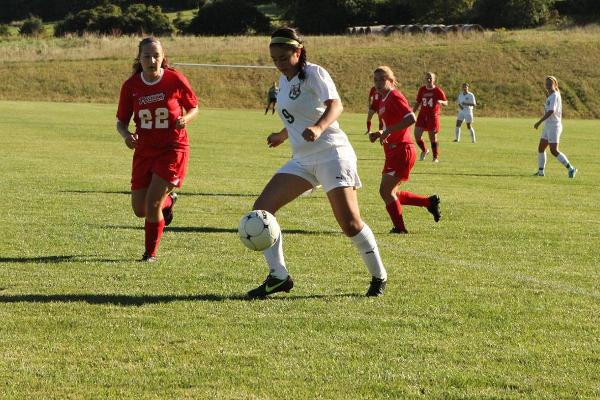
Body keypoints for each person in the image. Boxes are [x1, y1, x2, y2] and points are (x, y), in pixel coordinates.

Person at [247, 27, 388, 298]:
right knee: (262, 210)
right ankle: (279, 276)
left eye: (282, 57)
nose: (277, 63)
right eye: (273, 58)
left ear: (297, 52)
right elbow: (299, 118)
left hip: (332, 153)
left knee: (350, 224)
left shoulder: (314, 73)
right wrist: (282, 134)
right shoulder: (285, 81)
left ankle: (379, 276)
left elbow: (335, 105)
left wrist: (320, 127)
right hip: (302, 159)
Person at [116, 37, 199, 262]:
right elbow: (121, 122)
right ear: (139, 58)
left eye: (156, 56)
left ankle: (149, 254)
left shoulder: (175, 79)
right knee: (140, 209)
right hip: (144, 151)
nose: (152, 60)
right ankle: (170, 201)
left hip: (173, 149)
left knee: (152, 205)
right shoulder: (131, 86)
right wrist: (126, 136)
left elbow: (194, 107)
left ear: (163, 58)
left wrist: (186, 119)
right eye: (147, 56)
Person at [367, 66, 441, 234]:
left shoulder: (394, 96)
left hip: (402, 150)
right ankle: (429, 202)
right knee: (392, 193)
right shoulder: (384, 98)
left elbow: (410, 118)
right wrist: (380, 133)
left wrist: (387, 131)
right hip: (393, 151)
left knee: (385, 191)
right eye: (375, 80)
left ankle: (400, 229)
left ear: (391, 81)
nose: (378, 83)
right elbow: (394, 125)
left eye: (382, 79)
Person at [533, 76, 577, 178]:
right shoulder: (550, 96)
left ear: (555, 84)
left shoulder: (555, 96)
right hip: (548, 126)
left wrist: (539, 122)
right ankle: (540, 172)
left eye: (550, 83)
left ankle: (571, 168)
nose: (548, 85)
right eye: (546, 83)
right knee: (541, 148)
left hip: (554, 126)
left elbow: (551, 111)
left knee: (554, 150)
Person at [412, 72, 448, 162]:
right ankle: (424, 150)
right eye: (427, 78)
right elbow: (418, 102)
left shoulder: (438, 90)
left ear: (434, 79)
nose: (428, 80)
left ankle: (435, 157)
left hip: (433, 116)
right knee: (417, 135)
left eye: (430, 78)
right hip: (422, 115)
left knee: (432, 138)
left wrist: (441, 102)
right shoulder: (422, 89)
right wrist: (412, 113)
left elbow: (446, 102)